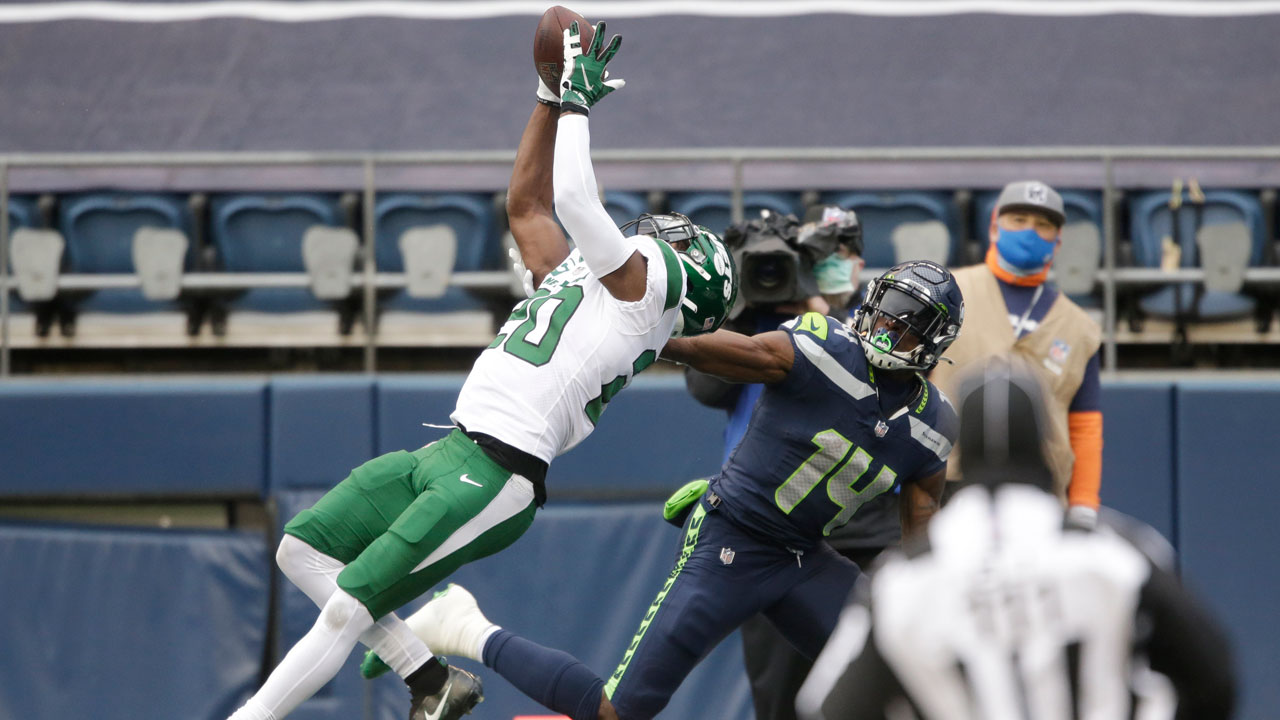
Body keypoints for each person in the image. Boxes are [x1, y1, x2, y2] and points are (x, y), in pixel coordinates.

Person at [224, 20, 738, 720]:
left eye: (681, 241)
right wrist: (547, 95)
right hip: (450, 448)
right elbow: (527, 206)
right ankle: (429, 678)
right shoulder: (591, 283)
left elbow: (577, 202)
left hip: (496, 475)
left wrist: (579, 106)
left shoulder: (647, 298)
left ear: (690, 277)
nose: (662, 232)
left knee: (346, 610)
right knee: (300, 551)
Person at [371, 259, 965, 720]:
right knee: (618, 711)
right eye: (887, 310)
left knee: (913, 675)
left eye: (909, 324)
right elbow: (730, 351)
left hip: (806, 557)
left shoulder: (934, 425)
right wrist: (632, 330)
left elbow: (923, 529)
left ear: (936, 342)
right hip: (735, 539)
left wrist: (924, 601)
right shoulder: (825, 348)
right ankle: (465, 628)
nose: (888, 326)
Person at [796, 356, 1237, 720]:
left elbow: (827, 707)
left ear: (961, 444)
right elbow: (1215, 679)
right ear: (1045, 443)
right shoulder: (1119, 554)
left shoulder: (900, 581)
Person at [683, 206, 888, 720]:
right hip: (771, 528)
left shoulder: (879, 322)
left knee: (872, 687)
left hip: (866, 527)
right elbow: (705, 386)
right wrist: (740, 305)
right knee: (779, 692)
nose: (830, 266)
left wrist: (820, 306)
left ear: (858, 263)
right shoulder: (757, 328)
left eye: (839, 255)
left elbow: (877, 390)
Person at [929, 180, 1104, 525]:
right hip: (942, 484)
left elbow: (1085, 426)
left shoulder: (1080, 327)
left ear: (1058, 240)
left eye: (1043, 225)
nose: (1030, 231)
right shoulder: (943, 291)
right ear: (994, 226)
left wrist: (1083, 503)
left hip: (1039, 494)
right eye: (1019, 219)